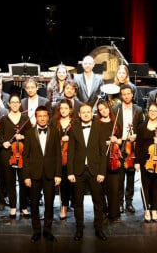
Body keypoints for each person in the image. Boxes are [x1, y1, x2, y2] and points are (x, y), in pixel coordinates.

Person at [67, 103, 108, 241]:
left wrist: (102, 172)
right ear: (79, 114)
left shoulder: (99, 128)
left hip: (95, 170)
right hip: (78, 171)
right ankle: (79, 229)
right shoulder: (74, 128)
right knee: (78, 202)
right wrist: (70, 172)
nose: (85, 114)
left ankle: (99, 229)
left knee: (98, 202)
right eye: (83, 112)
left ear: (92, 114)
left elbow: (103, 153)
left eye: (88, 112)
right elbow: (70, 152)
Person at [23, 105, 62, 242]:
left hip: (50, 174)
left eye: (45, 116)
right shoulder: (29, 133)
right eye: (40, 116)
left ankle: (47, 230)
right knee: (34, 204)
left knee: (49, 203)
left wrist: (58, 174)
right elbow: (25, 156)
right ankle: (36, 231)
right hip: (34, 174)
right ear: (36, 117)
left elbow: (58, 154)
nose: (42, 118)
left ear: (48, 117)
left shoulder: (55, 132)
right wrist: (26, 176)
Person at [0, 93, 32, 218]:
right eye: (13, 102)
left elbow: (31, 136)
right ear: (9, 104)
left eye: (17, 102)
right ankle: (12, 206)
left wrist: (23, 136)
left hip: (22, 154)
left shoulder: (25, 119)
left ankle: (23, 207)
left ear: (20, 104)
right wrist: (4, 143)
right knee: (10, 182)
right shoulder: (4, 119)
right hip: (8, 154)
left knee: (23, 182)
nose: (15, 104)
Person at [135, 102, 157, 222]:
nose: (153, 113)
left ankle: (154, 209)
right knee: (145, 185)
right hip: (145, 160)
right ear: (147, 112)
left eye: (155, 111)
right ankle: (146, 209)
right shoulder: (141, 126)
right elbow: (138, 145)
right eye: (151, 111)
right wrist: (137, 161)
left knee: (156, 185)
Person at [113, 84, 144, 214]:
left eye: (128, 93)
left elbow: (142, 127)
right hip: (120, 144)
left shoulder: (138, 109)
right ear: (121, 95)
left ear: (132, 95)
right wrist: (116, 138)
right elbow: (112, 127)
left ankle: (129, 202)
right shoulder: (115, 109)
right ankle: (119, 202)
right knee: (120, 177)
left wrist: (136, 135)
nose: (126, 96)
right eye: (124, 94)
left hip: (132, 145)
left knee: (131, 175)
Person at [96, 100, 121, 222]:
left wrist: (116, 139)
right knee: (101, 189)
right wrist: (104, 142)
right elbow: (93, 141)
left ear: (108, 108)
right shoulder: (96, 124)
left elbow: (121, 140)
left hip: (113, 158)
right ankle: (103, 213)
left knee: (114, 188)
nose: (103, 111)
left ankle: (114, 214)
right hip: (100, 158)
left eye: (105, 108)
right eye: (100, 109)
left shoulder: (115, 123)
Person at [52, 99, 74, 220]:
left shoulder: (75, 122)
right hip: (56, 156)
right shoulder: (54, 122)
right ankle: (55, 206)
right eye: (61, 108)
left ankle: (64, 206)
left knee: (66, 184)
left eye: (66, 108)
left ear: (70, 109)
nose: (64, 110)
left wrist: (69, 139)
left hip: (70, 156)